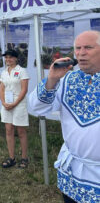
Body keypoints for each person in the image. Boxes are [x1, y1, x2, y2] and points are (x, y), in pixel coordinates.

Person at [29, 31, 100, 203]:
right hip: (73, 174)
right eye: (78, 48)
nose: (81, 53)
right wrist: (51, 79)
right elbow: (37, 108)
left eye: (88, 47)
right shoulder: (68, 80)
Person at [0, 49, 30, 169]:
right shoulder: (4, 72)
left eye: (10, 57)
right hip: (7, 104)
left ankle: (24, 158)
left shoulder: (22, 71)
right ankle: (11, 158)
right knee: (8, 130)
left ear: (16, 58)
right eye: (6, 57)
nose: (8, 59)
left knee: (21, 131)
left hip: (19, 104)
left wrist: (15, 103)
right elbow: (1, 89)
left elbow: (24, 89)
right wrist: (3, 102)